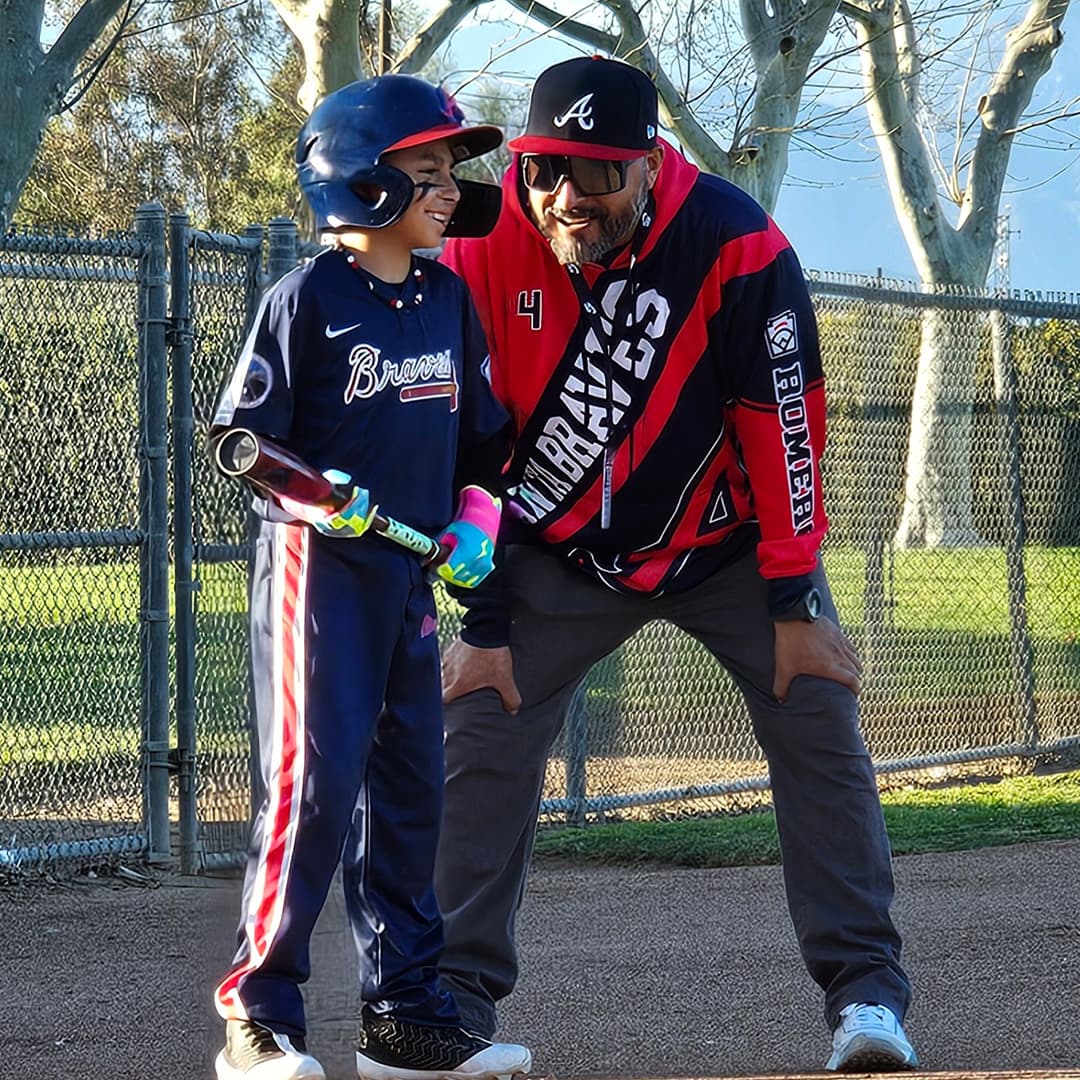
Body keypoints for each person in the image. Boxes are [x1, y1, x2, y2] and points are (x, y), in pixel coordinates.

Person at [435, 55, 918, 1073]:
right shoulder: (481, 246)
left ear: (651, 164)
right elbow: (462, 443)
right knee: (481, 721)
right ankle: (453, 1001)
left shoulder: (736, 243)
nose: (569, 197)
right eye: (545, 168)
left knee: (819, 708)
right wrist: (479, 618)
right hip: (550, 550)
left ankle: (866, 1000)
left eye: (600, 173)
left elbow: (782, 426)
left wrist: (793, 594)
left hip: (727, 548)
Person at [209, 74, 531, 1080]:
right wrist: (318, 495)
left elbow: (485, 444)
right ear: (360, 182)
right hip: (320, 576)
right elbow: (243, 441)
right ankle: (259, 1014)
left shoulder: (448, 301)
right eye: (425, 173)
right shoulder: (305, 300)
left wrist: (478, 516)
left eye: (448, 175)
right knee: (314, 787)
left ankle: (403, 1018)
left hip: (408, 581)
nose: (447, 191)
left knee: (408, 793)